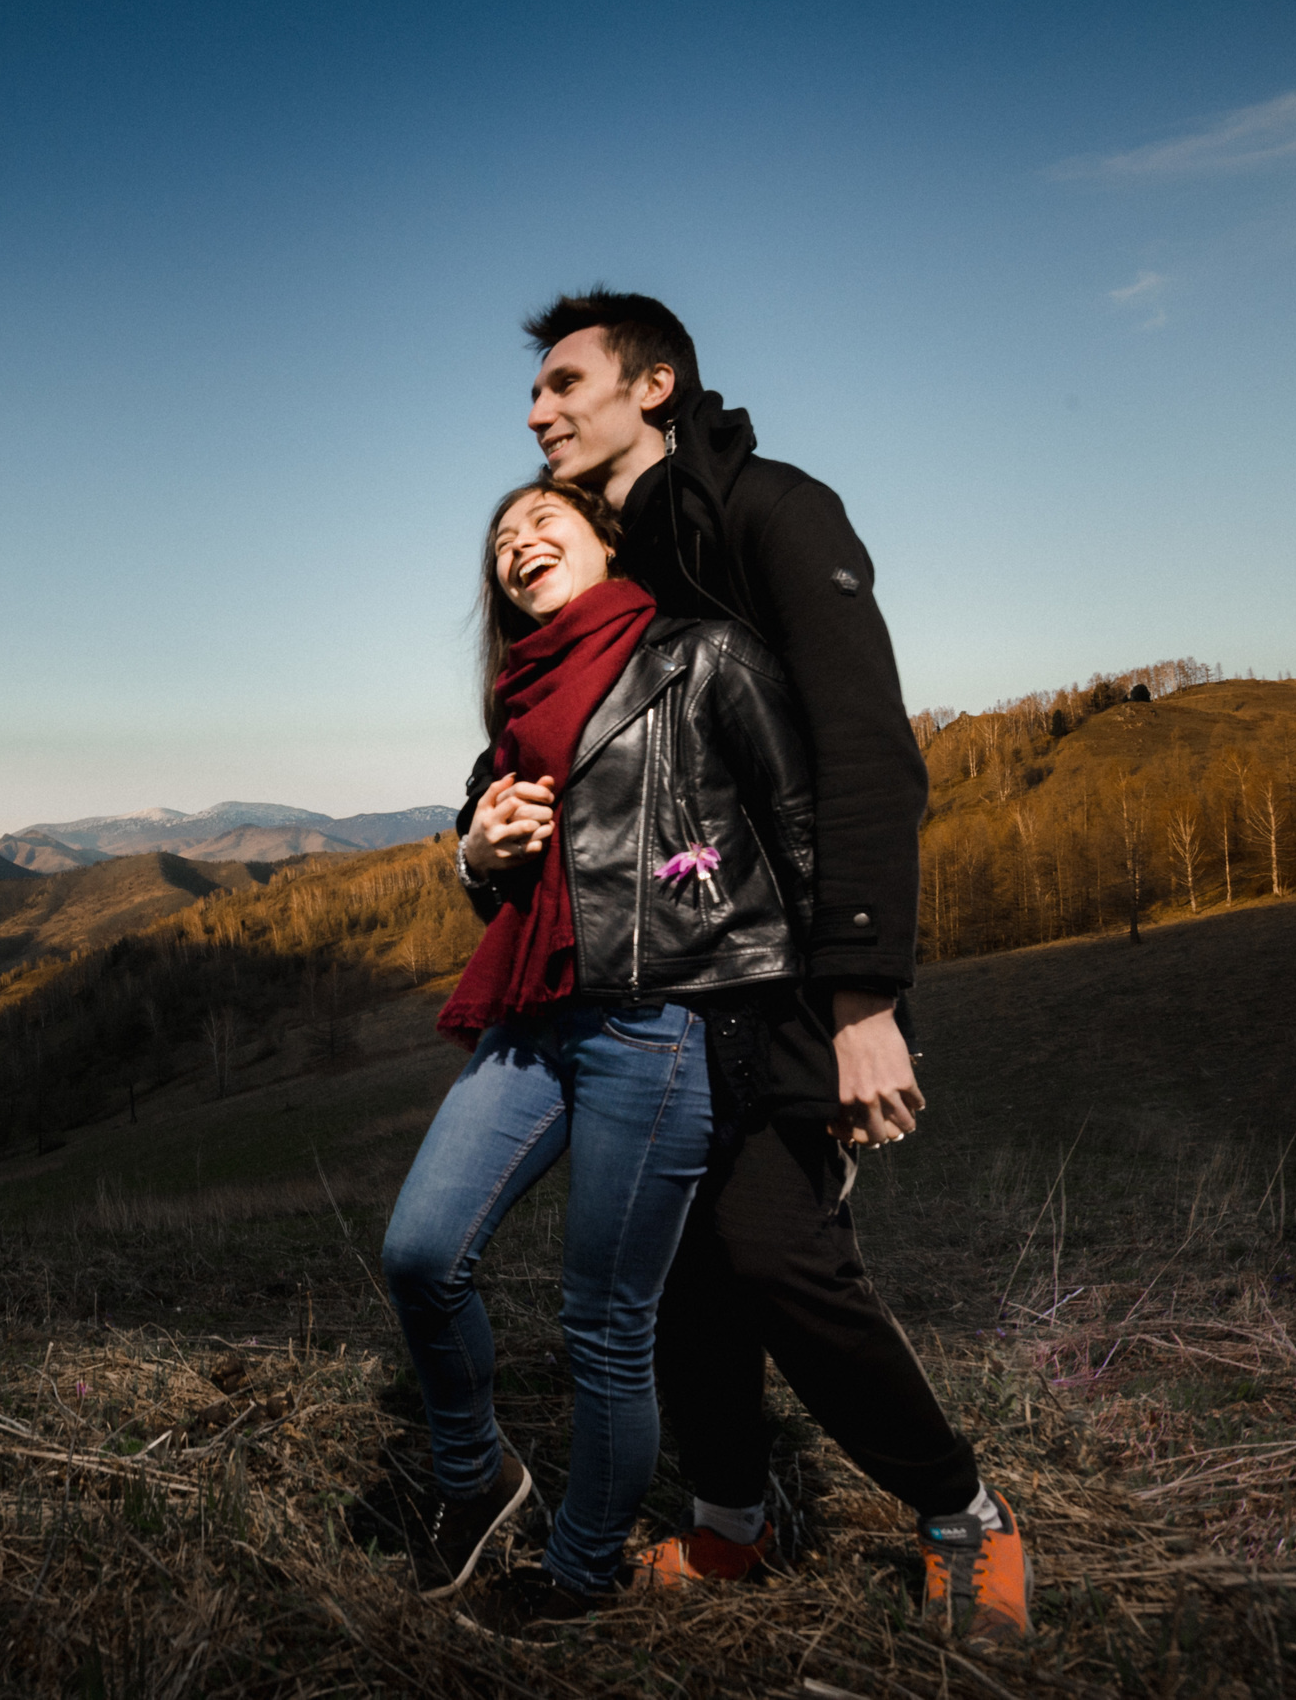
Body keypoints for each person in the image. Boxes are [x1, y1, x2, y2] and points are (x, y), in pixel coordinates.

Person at [490, 288, 1030, 1641]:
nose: (537, 409)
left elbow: (864, 752)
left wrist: (862, 999)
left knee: (780, 1251)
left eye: (565, 382)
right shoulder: (623, 561)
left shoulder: (777, 511)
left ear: (654, 385)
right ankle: (735, 1518)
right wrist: (477, 838)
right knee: (683, 1266)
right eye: (535, 390)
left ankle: (964, 1513)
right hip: (662, 996)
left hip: (786, 981)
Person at [379, 473, 818, 1633]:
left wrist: (846, 1021)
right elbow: (501, 876)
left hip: (655, 1022)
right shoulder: (518, 706)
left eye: (542, 520)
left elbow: (801, 834)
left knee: (604, 1322)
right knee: (420, 1252)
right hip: (534, 1017)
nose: (517, 542)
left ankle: (579, 1571)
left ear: (605, 540)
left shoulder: (700, 658)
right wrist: (474, 853)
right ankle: (478, 1478)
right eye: (500, 539)